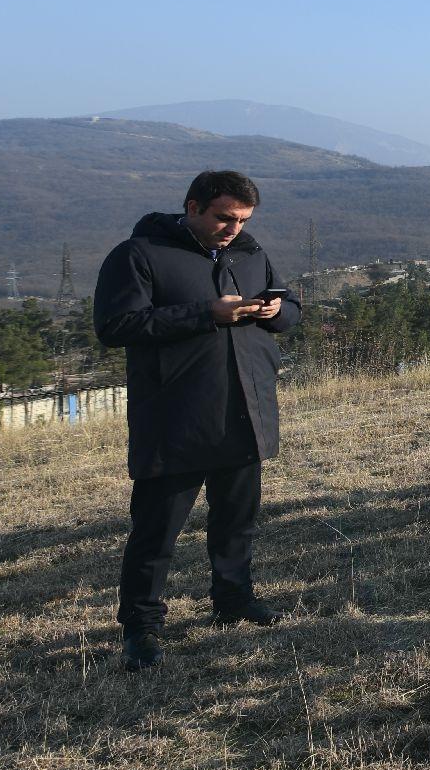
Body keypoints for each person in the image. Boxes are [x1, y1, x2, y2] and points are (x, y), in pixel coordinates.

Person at [94, 170, 301, 672]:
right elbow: (116, 325)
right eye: (223, 217)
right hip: (175, 418)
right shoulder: (138, 254)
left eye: (242, 219)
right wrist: (207, 312)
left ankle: (234, 600)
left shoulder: (250, 252)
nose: (233, 228)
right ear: (192, 207)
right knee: (155, 533)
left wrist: (275, 312)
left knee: (236, 523)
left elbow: (291, 306)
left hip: (245, 411)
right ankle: (141, 629)